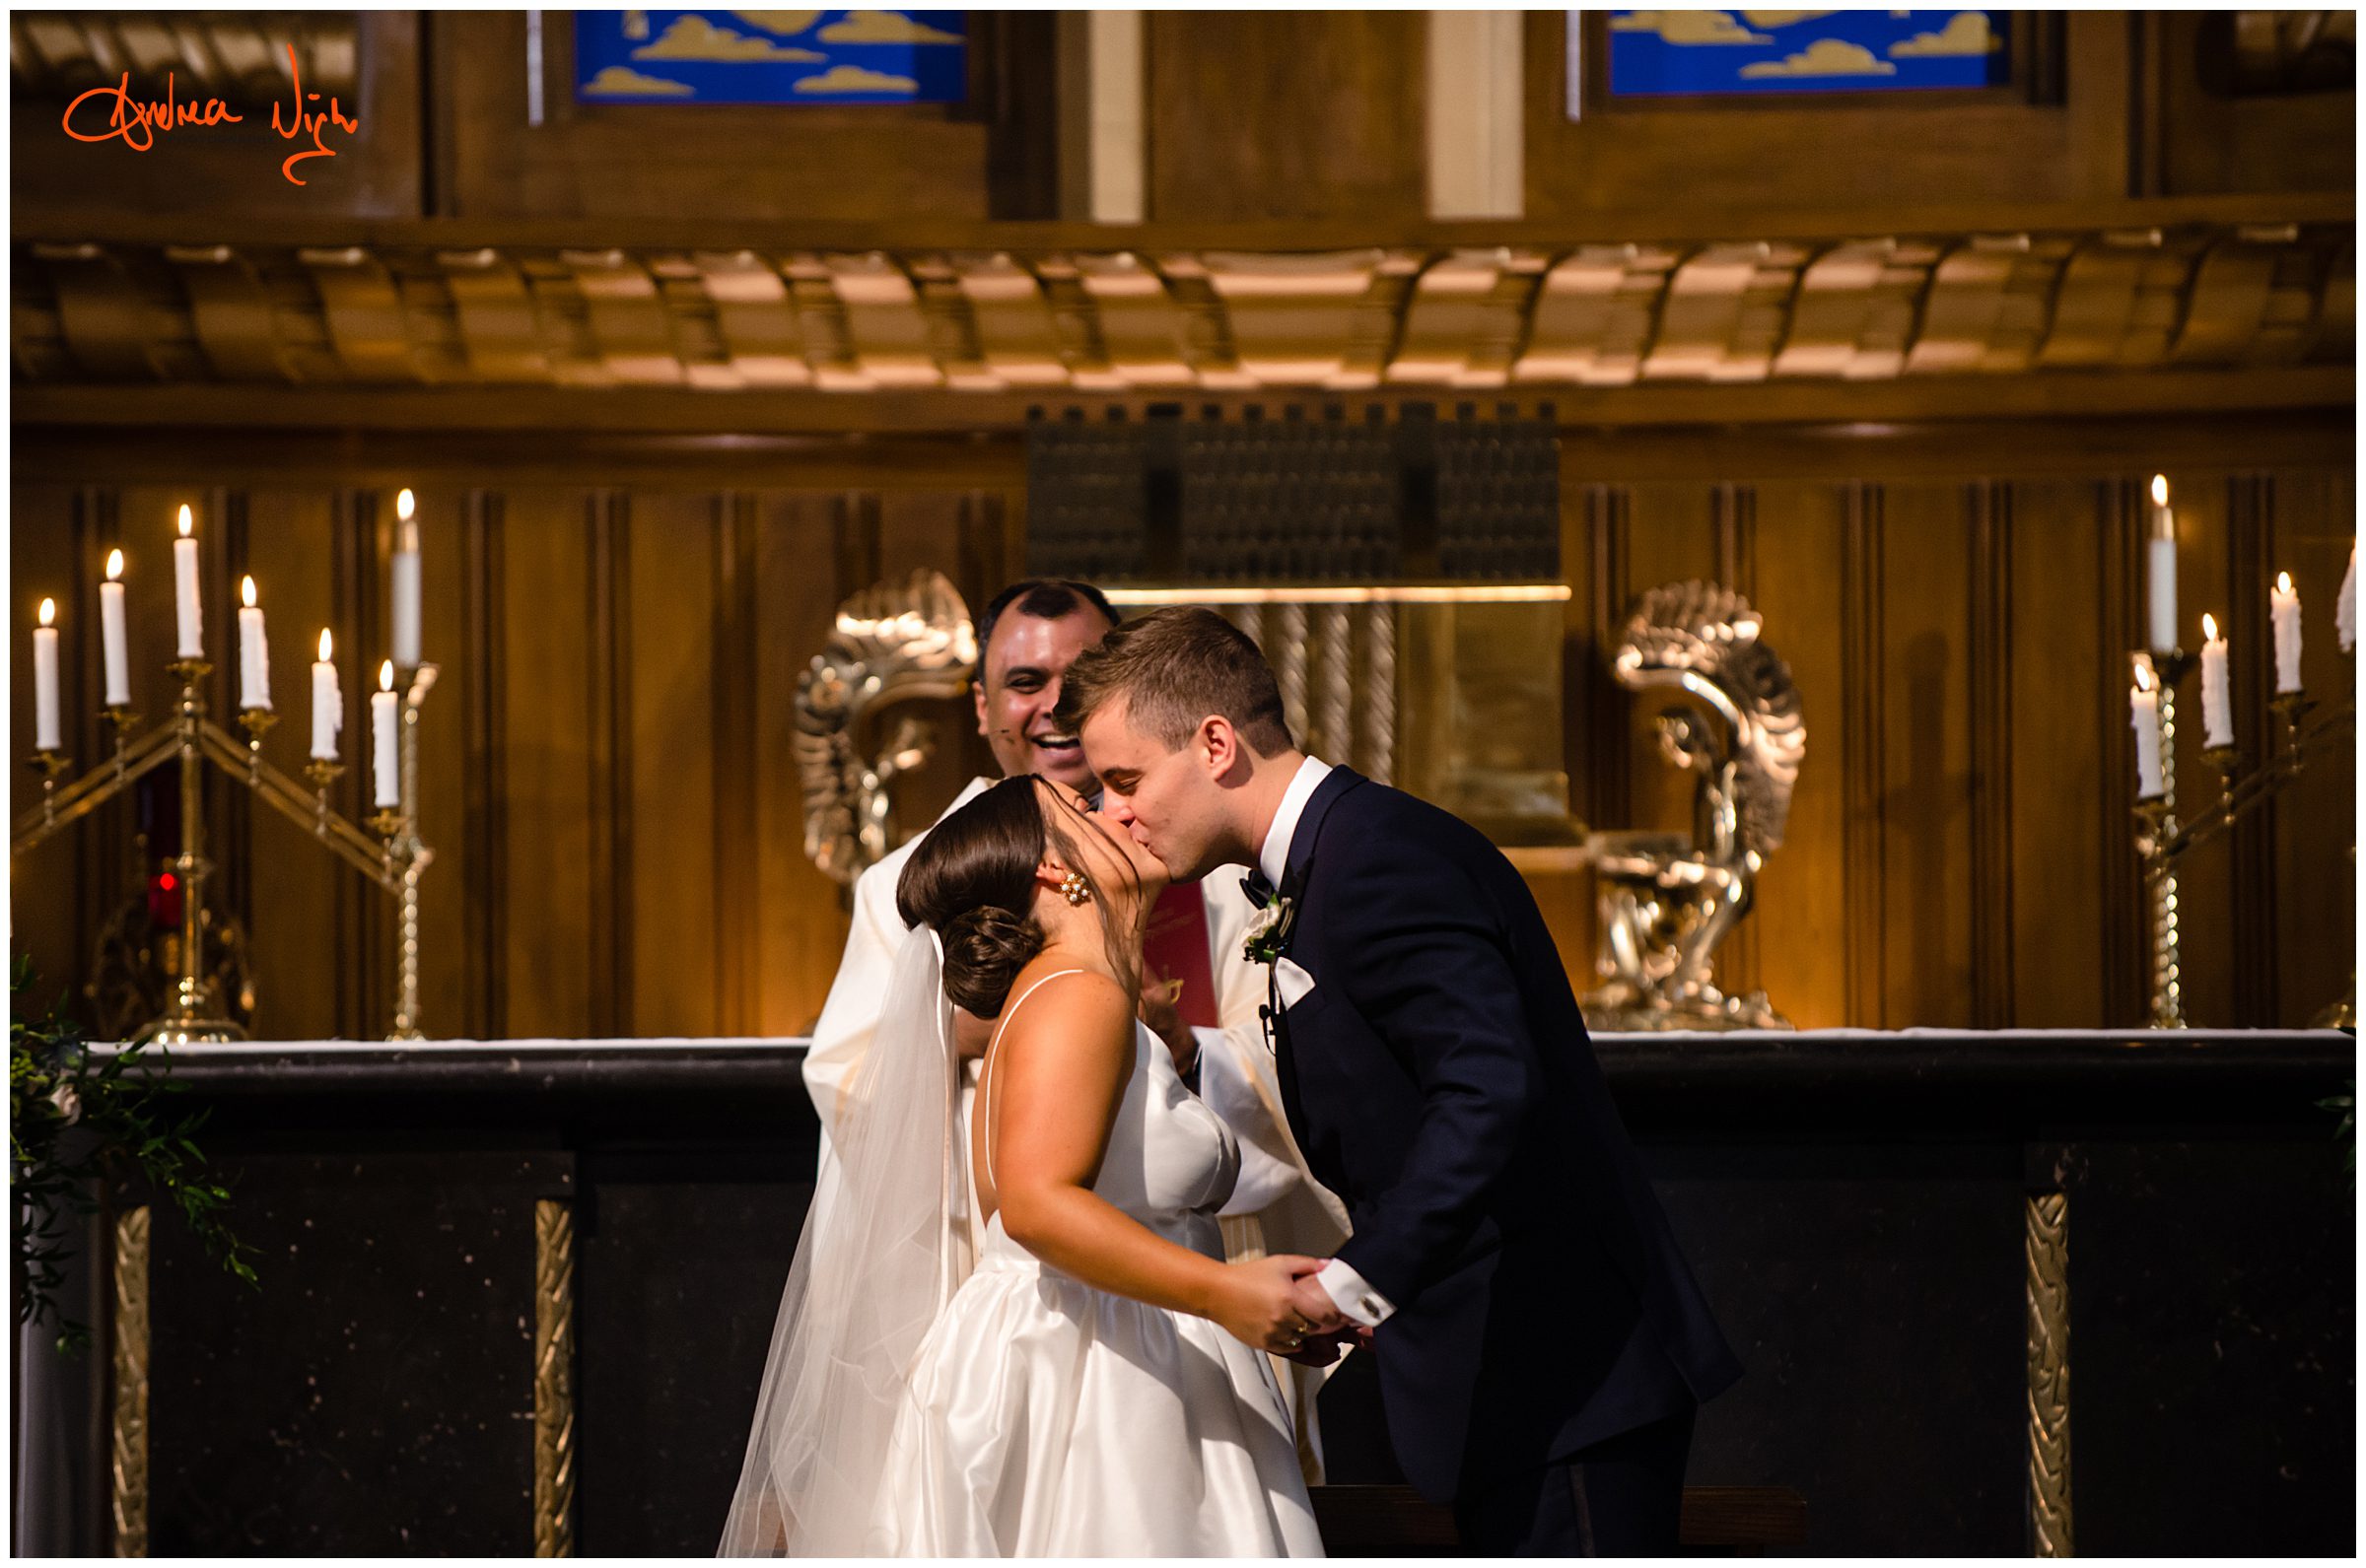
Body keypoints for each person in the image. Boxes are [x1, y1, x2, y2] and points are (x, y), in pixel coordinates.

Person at [1063, 607, 1745, 1556]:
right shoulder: (1330, 858)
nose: (1111, 812)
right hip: (1497, 1372)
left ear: (1216, 743)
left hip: (1564, 1377)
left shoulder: (1377, 857)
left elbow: (1488, 1087)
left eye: (1125, 780)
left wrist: (1359, 1282)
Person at [800, 578, 1348, 1469]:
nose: (1053, 706)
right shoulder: (909, 885)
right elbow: (861, 1088)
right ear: (982, 708)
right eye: (1024, 682)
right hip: (1007, 1302)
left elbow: (1292, 1067)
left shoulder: (1215, 871)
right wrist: (998, 1027)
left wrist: (1180, 1048)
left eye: (1081, 677)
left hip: (1194, 1286)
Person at [721, 775, 1326, 1555]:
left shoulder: (1063, 995)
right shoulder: (1078, 995)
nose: (1119, 810)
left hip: (1102, 1349)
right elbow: (1034, 1206)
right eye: (1085, 809)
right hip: (1092, 1384)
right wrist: (1222, 1292)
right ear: (1051, 868)